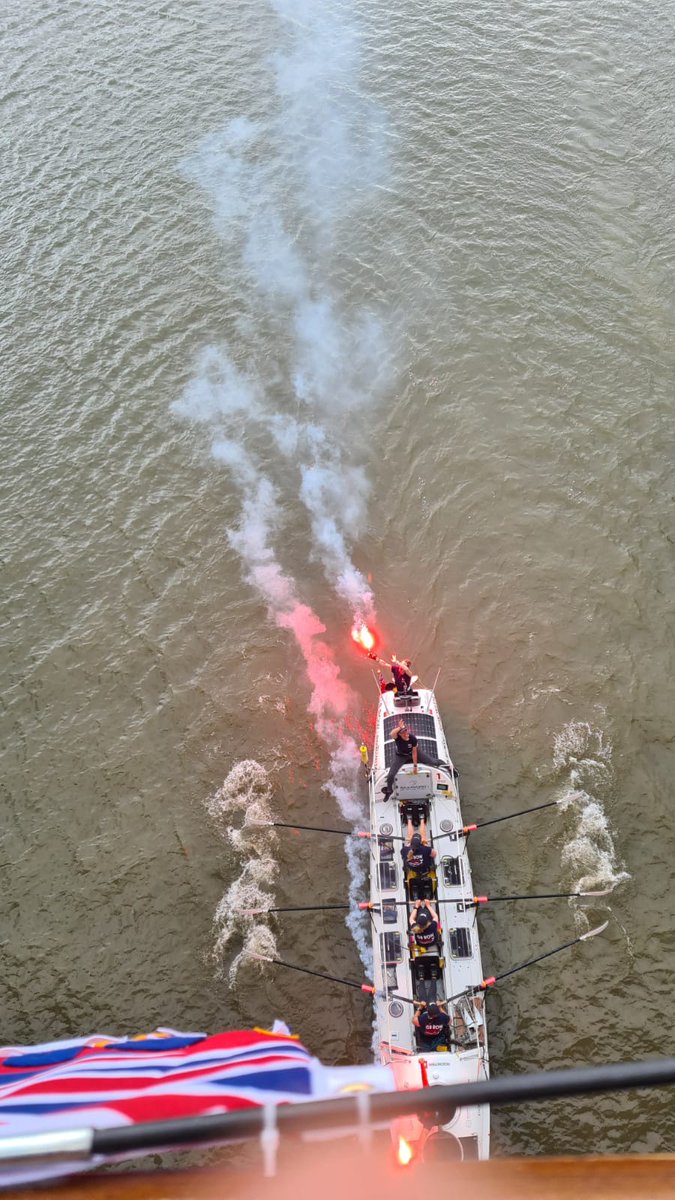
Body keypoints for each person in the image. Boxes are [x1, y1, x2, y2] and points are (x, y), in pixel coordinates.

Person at [381, 720, 447, 798]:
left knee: (432, 761)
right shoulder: (397, 738)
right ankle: (389, 790)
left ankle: (447, 767)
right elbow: (392, 733)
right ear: (400, 734)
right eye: (404, 733)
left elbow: (414, 752)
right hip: (401, 756)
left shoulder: (413, 738)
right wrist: (399, 727)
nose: (406, 734)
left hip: (413, 752)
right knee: (391, 775)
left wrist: (415, 766)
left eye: (406, 731)